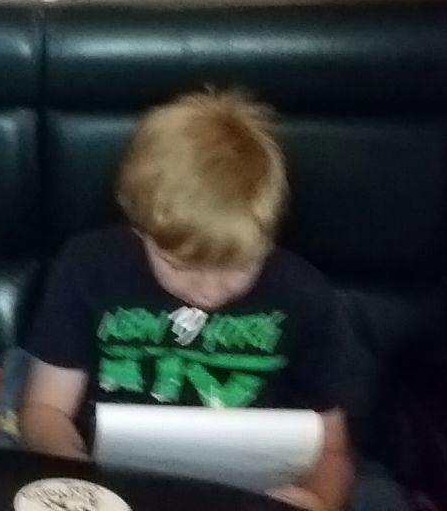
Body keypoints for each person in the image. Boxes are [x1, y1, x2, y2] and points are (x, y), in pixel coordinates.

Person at [20, 89, 353, 511]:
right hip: (110, 483)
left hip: (248, 493)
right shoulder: (88, 267)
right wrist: (78, 478)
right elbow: (45, 409)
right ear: (141, 228)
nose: (209, 293)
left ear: (268, 237)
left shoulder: (303, 296)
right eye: (182, 267)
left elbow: (332, 449)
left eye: (237, 268)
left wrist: (316, 501)